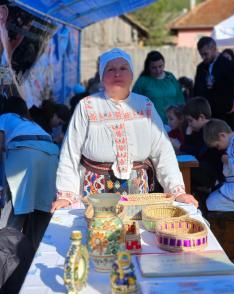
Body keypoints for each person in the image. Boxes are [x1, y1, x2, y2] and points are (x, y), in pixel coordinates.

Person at [51, 48, 197, 212]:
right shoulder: (87, 105)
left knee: (133, 234)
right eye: (111, 69)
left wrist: (176, 191)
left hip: (137, 190)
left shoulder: (145, 105)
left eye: (123, 68)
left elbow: (163, 152)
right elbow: (70, 153)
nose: (117, 74)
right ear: (102, 75)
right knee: (98, 234)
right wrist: (66, 195)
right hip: (95, 189)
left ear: (132, 74)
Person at [0, 96, 59, 249]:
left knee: (16, 207)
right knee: (41, 208)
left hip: (26, 153)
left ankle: (5, 252)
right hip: (51, 156)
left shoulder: (4, 117)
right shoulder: (30, 122)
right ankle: (35, 251)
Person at [175, 97, 223, 212]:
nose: (189, 125)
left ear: (201, 117)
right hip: (206, 168)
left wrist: (181, 145)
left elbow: (198, 153)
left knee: (185, 171)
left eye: (191, 121)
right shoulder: (198, 130)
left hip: (212, 173)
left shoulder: (210, 129)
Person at [194, 36, 234, 132]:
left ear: (213, 48)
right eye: (201, 55)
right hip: (209, 116)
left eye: (205, 54)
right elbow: (197, 90)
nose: (203, 57)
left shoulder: (227, 64)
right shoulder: (201, 68)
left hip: (227, 115)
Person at [132, 51, 185, 124]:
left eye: (160, 66)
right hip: (153, 124)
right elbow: (134, 102)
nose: (158, 70)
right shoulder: (143, 81)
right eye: (154, 68)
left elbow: (180, 98)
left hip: (174, 123)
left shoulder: (170, 77)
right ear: (148, 67)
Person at [203, 119, 234, 211]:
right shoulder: (233, 143)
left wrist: (228, 161)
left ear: (222, 135)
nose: (218, 149)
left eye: (217, 145)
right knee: (210, 199)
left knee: (211, 203)